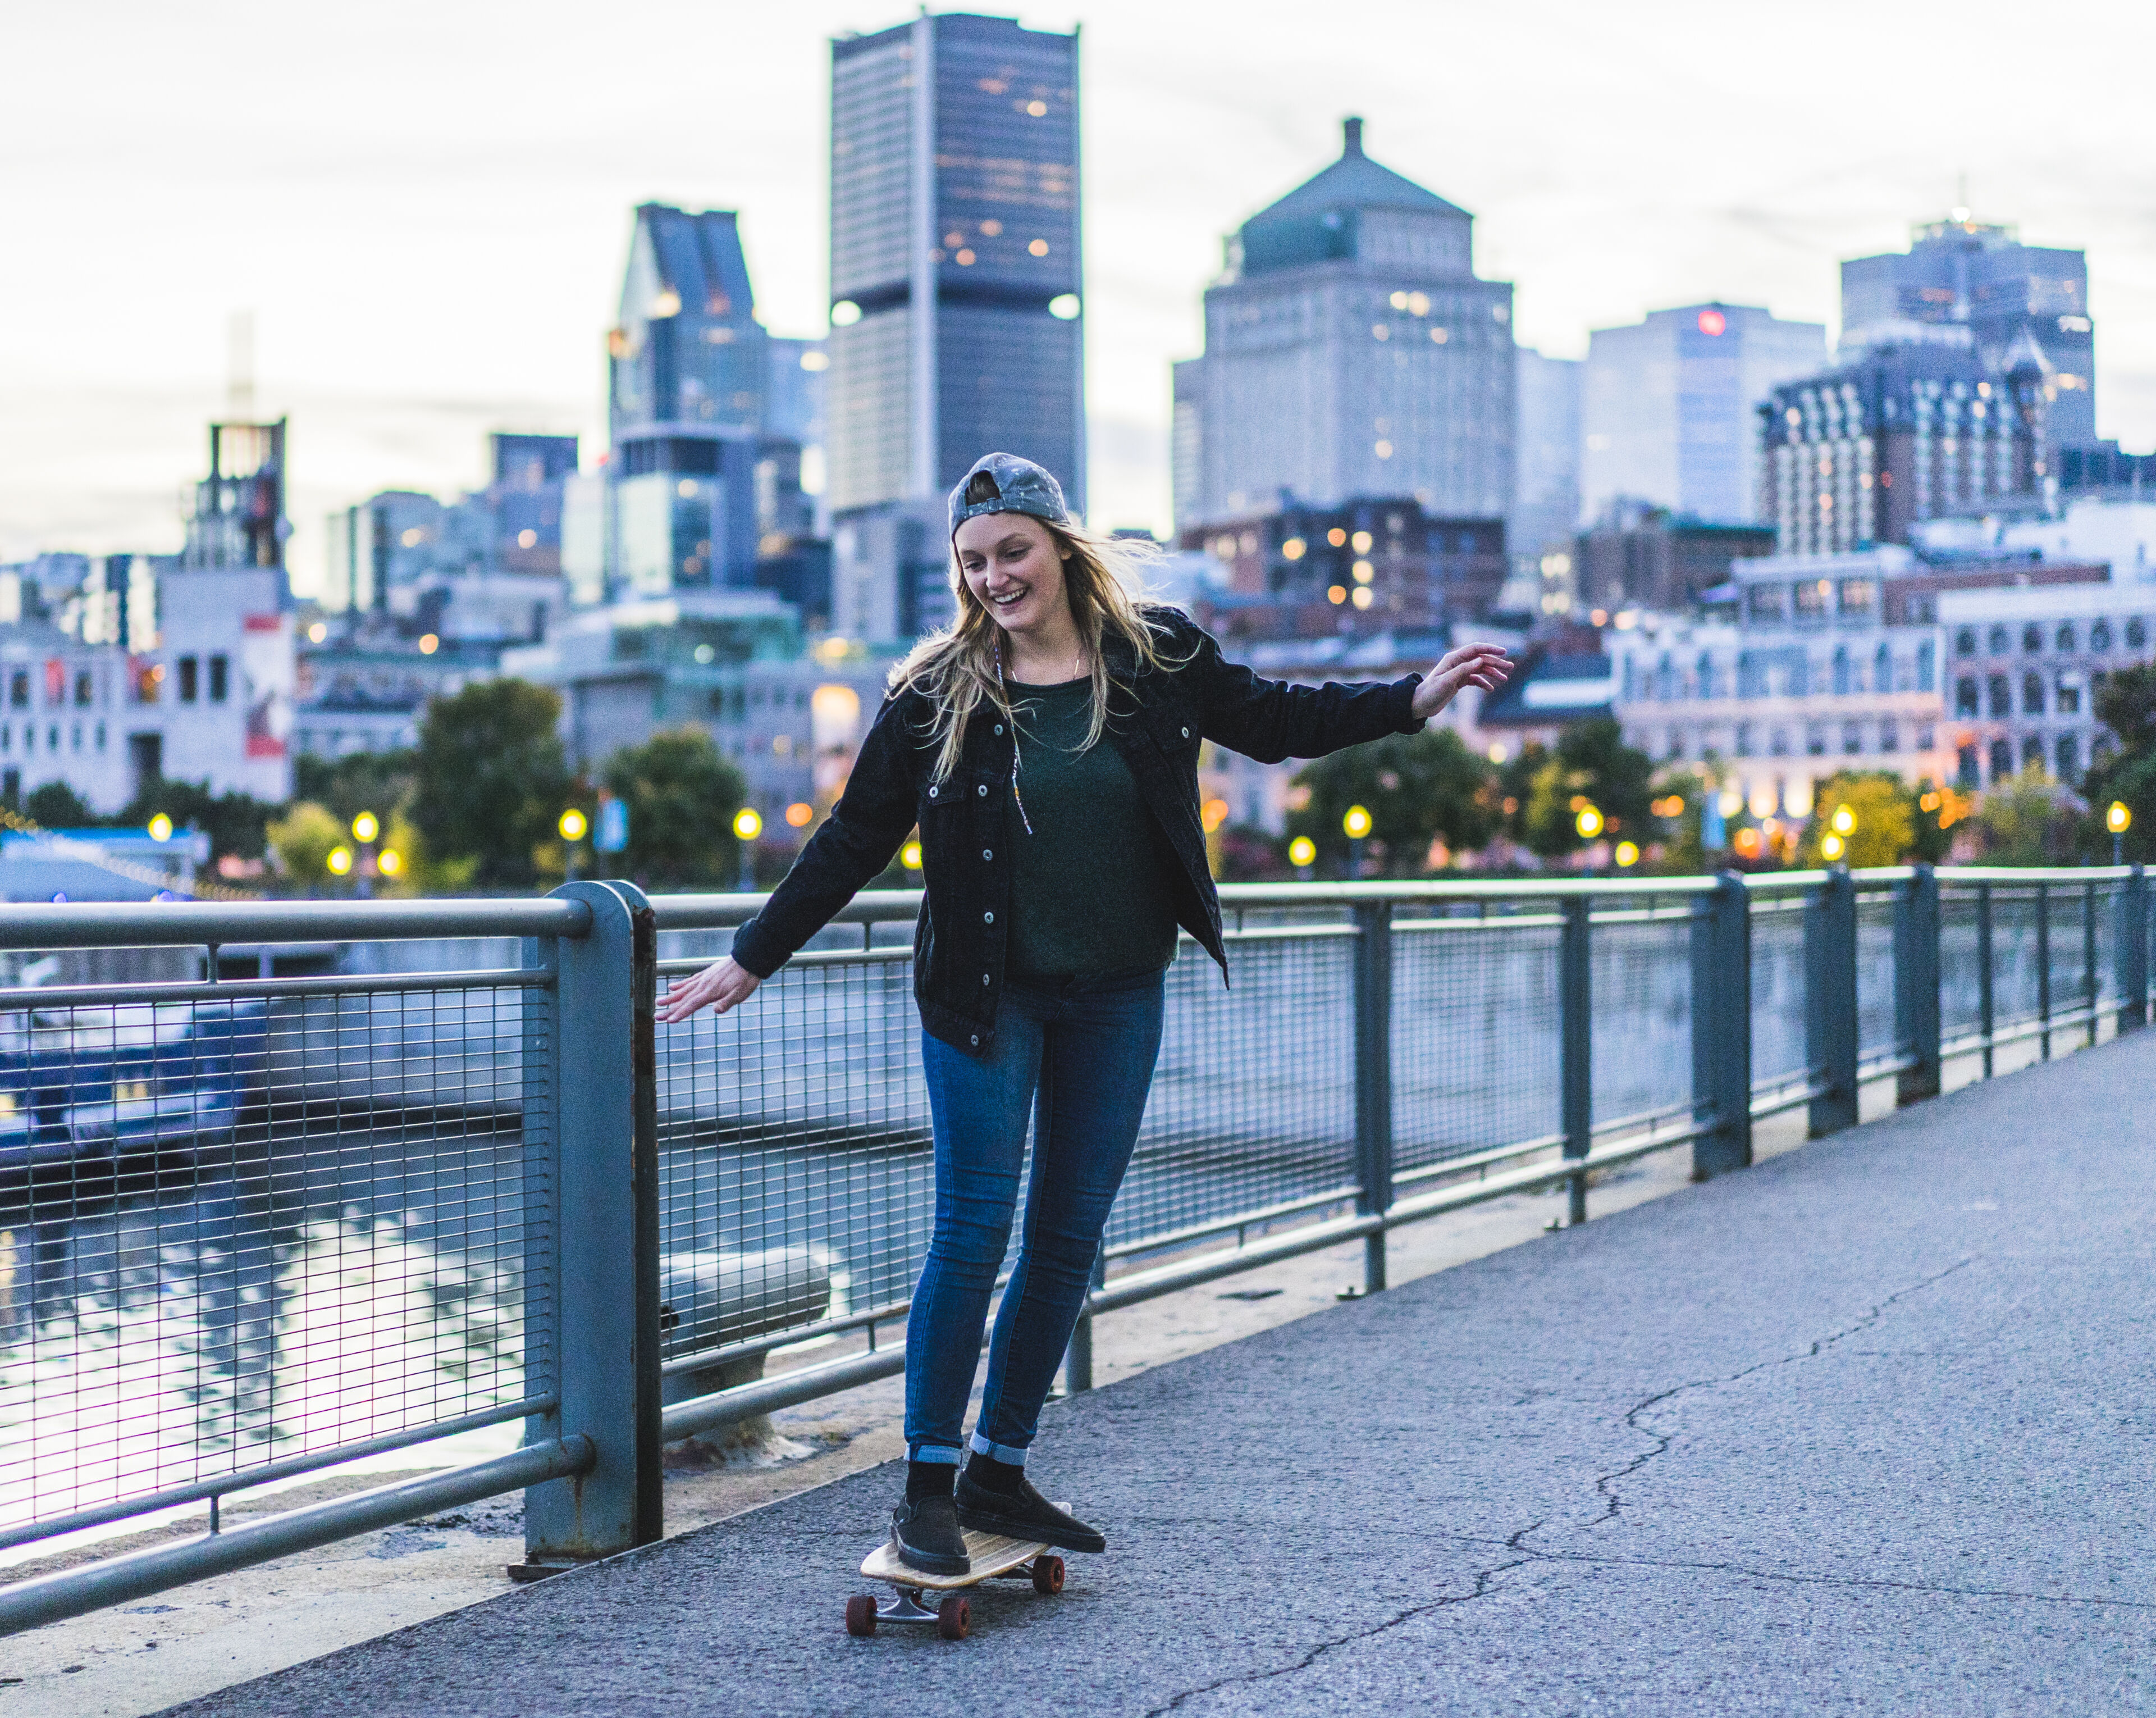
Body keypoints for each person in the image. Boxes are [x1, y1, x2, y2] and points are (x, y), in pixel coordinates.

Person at [657, 452, 1510, 1575]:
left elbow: (1277, 719)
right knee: (974, 1232)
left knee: (1068, 1241)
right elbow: (855, 837)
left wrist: (1414, 698)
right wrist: (752, 956)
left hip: (1117, 991)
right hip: (984, 997)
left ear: (1061, 545)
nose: (995, 578)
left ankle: (999, 1469)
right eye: (973, 564)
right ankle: (926, 1483)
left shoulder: (1156, 660)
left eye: (1012, 551)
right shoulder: (938, 695)